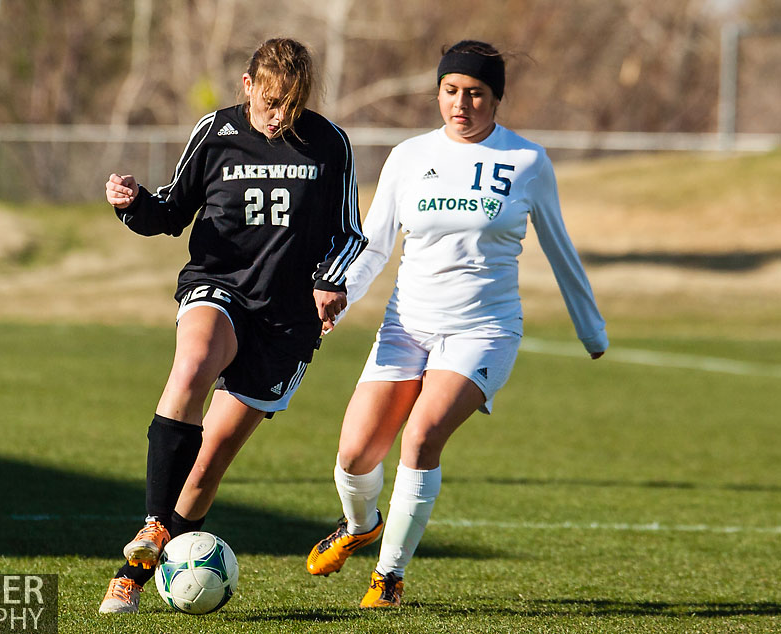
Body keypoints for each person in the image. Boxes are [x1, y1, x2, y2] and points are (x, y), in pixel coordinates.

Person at [305, 39, 608, 608]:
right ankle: (360, 526)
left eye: (475, 93)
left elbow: (560, 249)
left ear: (497, 98)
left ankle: (389, 577)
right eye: (451, 91)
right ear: (438, 92)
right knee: (354, 456)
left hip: (483, 331)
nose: (461, 104)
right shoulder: (408, 156)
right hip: (405, 326)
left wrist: (591, 331)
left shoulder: (527, 162)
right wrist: (341, 289)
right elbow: (374, 246)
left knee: (420, 438)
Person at [98, 37, 366, 614]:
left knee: (209, 461)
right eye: (270, 101)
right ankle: (149, 529)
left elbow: (350, 234)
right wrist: (133, 203)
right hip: (219, 286)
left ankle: (137, 571)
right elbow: (171, 211)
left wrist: (330, 279)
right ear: (247, 86)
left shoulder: (328, 143)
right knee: (193, 361)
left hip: (287, 320)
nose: (279, 116)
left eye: (291, 104)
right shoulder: (216, 133)